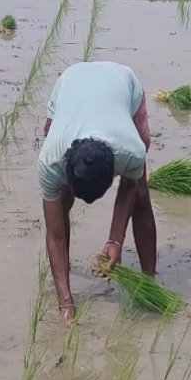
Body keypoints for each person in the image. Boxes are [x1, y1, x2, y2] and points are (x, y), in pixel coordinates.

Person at [38, 61, 157, 323]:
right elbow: (54, 235)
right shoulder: (50, 160)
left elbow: (129, 186)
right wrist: (65, 304)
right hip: (70, 81)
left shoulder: (131, 150)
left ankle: (149, 280)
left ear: (114, 168)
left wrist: (115, 240)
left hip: (121, 82)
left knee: (141, 196)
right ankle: (64, 276)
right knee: (59, 206)